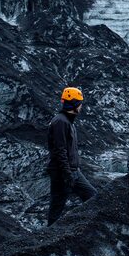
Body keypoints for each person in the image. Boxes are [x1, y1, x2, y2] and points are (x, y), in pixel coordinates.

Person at [47, 86, 96, 225]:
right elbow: (60, 151)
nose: (81, 106)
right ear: (74, 104)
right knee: (57, 206)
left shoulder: (67, 121)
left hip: (72, 170)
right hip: (62, 172)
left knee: (93, 196)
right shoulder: (61, 122)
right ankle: (47, 238)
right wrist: (67, 174)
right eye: (80, 103)